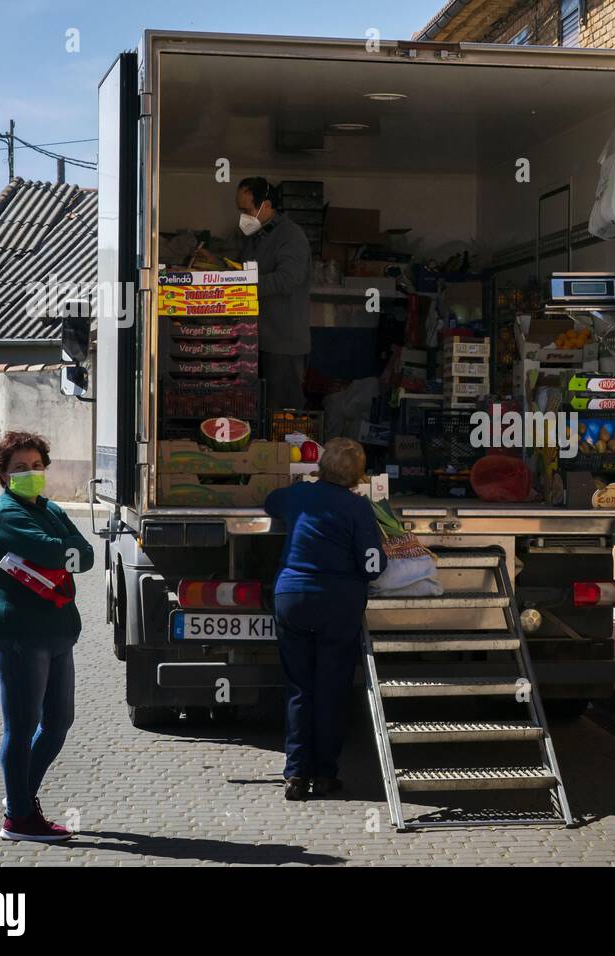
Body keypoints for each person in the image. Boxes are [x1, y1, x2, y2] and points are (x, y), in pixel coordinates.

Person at [0, 431, 95, 841]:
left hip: (58, 631)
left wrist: (61, 548)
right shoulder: (4, 514)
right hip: (20, 634)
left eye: (36, 466)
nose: (31, 473)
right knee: (23, 726)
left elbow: (87, 555)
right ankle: (19, 818)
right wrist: (61, 549)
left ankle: (20, 798)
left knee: (59, 722)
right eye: (20, 468)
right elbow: (54, 553)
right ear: (4, 475)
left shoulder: (49, 508)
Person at [263, 438, 386, 799]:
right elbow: (372, 564)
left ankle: (295, 775)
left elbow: (271, 501)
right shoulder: (358, 508)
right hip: (338, 606)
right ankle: (325, 774)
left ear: (322, 468)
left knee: (299, 688)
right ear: (358, 477)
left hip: (292, 600)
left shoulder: (300, 496)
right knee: (331, 690)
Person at [236, 175, 312, 414]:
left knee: (283, 414)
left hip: (283, 341)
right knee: (258, 409)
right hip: (255, 339)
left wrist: (242, 285)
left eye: (246, 210)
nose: (242, 217)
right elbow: (246, 270)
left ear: (266, 206)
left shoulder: (291, 236)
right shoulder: (256, 236)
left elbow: (287, 279)